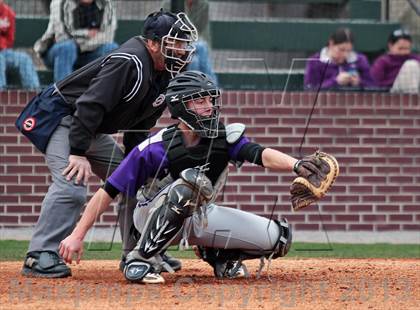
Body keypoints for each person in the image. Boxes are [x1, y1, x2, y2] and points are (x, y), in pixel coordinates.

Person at [59, 71, 336, 284]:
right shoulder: (155, 147)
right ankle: (140, 259)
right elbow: (107, 191)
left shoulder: (223, 137)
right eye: (199, 101)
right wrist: (77, 235)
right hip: (151, 215)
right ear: (180, 108)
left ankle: (219, 256)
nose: (208, 107)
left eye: (209, 100)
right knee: (191, 183)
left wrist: (297, 164)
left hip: (200, 215)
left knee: (278, 237)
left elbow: (260, 154)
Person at [17, 10, 198, 278]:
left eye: (183, 43)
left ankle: (138, 252)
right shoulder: (130, 61)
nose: (181, 49)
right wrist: (77, 152)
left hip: (87, 126)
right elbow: (89, 104)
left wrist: (138, 163)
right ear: (152, 43)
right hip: (61, 117)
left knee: (133, 181)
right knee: (72, 187)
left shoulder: (166, 72)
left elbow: (140, 127)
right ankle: (39, 254)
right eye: (174, 42)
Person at [34, 0, 119, 82]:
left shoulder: (107, 3)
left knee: (112, 48)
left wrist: (78, 41)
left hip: (88, 55)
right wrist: (87, 34)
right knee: (67, 47)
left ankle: (102, 94)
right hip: (59, 54)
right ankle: (62, 94)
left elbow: (108, 37)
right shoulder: (59, 2)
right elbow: (63, 37)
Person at [163, 0, 218, 84]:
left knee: (195, 59)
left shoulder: (203, 4)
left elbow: (202, 30)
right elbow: (168, 27)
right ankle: (213, 87)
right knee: (200, 50)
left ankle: (196, 90)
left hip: (194, 41)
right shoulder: (169, 3)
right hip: (175, 43)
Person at [304, 27, 374, 91]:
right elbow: (310, 90)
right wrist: (335, 81)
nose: (345, 54)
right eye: (341, 50)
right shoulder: (315, 62)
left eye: (349, 51)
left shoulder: (360, 60)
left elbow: (374, 87)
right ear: (331, 44)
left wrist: (359, 82)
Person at [0, 0, 40, 89]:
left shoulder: (8, 12)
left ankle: (34, 94)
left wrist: (2, 43)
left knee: (25, 59)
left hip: (4, 52)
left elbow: (10, 40)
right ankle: (1, 96)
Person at [371, 29, 420, 94]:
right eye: (400, 48)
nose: (403, 52)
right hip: (392, 96)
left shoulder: (415, 58)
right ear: (390, 46)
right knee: (411, 65)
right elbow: (373, 83)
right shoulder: (383, 61)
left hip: (416, 92)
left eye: (407, 49)